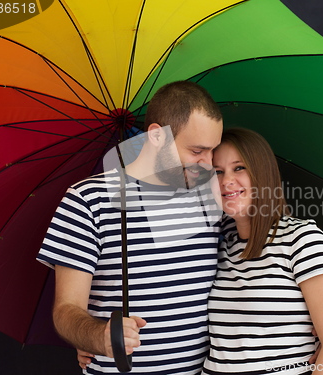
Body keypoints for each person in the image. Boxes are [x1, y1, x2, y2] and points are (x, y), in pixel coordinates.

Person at [37, 81, 224, 374]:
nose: (208, 164)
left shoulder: (211, 198)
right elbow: (65, 311)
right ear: (157, 136)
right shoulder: (88, 200)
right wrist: (97, 336)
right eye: (197, 150)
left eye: (213, 151)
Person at [201, 128, 323, 375]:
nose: (226, 180)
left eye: (239, 168)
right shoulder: (221, 244)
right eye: (217, 172)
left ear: (263, 173)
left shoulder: (302, 239)